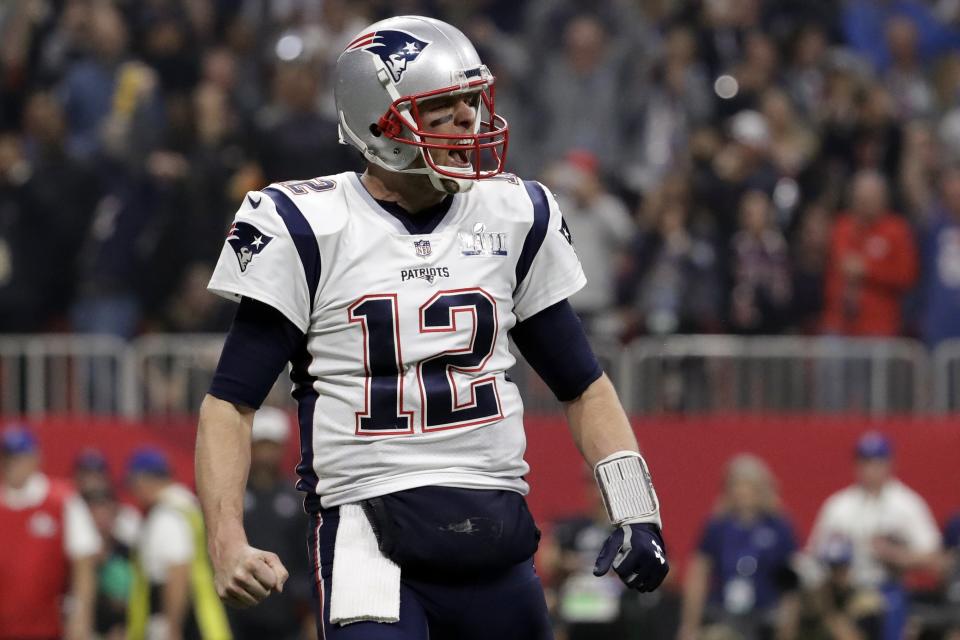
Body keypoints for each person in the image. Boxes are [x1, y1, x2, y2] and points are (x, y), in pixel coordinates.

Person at [196, 15, 670, 640]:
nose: (469, 123)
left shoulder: (513, 214)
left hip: (496, 531)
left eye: (472, 103)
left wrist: (636, 507)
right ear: (378, 122)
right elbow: (229, 403)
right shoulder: (306, 225)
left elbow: (584, 385)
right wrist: (225, 538)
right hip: (368, 534)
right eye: (442, 110)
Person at [807, 432, 942, 640]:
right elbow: (814, 555)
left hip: (889, 587)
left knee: (888, 609)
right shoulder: (839, 505)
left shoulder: (906, 504)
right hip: (844, 591)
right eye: (865, 462)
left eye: (877, 463)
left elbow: (934, 556)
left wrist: (894, 554)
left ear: (890, 464)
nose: (870, 470)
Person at [678, 454, 800, 640]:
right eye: (737, 485)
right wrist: (690, 625)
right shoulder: (717, 526)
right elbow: (699, 575)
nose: (743, 492)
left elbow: (790, 583)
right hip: (723, 614)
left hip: (765, 616)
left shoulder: (779, 527)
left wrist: (788, 627)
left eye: (750, 486)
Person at [0, 424, 100, 640]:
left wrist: (81, 616)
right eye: (7, 457)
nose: (12, 465)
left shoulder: (61, 501)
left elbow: (83, 560)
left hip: (48, 627)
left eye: (19, 457)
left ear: (35, 458)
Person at [227, 406, 314, 639]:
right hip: (239, 612)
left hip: (287, 615)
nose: (266, 453)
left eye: (271, 445)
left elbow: (305, 559)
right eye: (261, 444)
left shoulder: (297, 498)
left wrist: (310, 612)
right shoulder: (232, 496)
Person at [125, 447, 231, 640]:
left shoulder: (166, 517)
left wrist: (171, 627)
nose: (133, 491)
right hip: (200, 619)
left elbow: (177, 571)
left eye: (133, 483)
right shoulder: (185, 508)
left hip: (188, 625)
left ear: (143, 480)